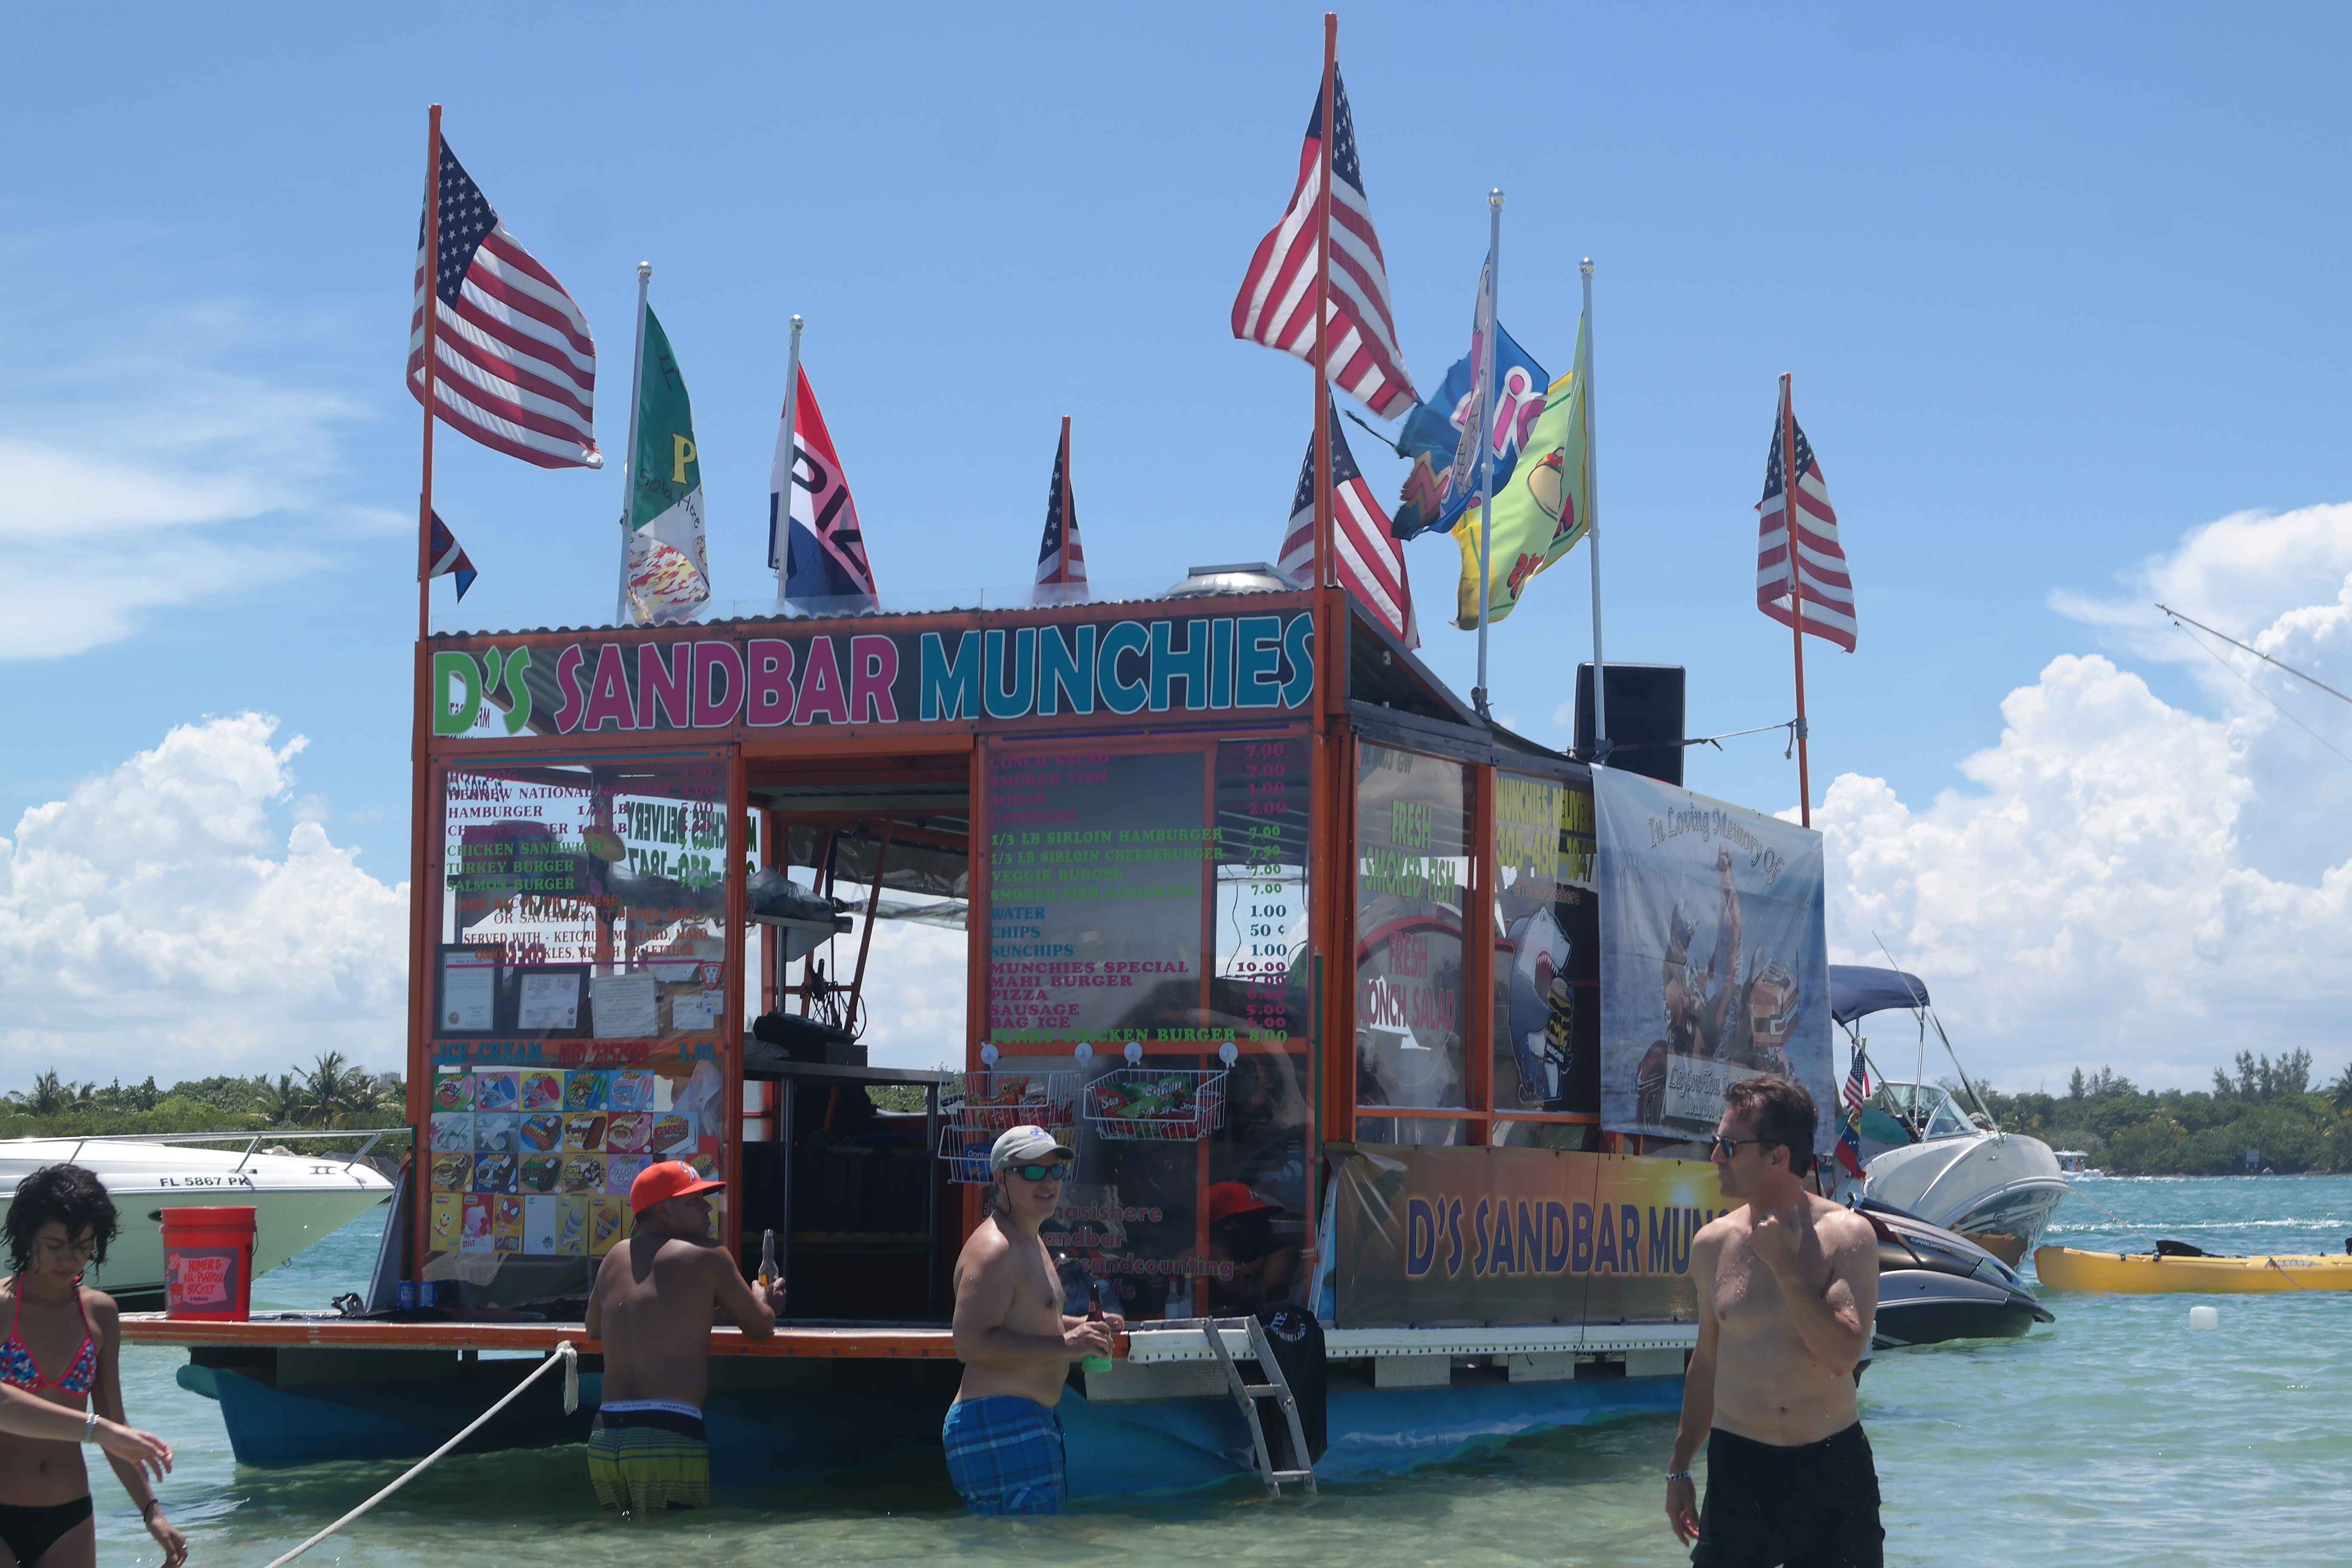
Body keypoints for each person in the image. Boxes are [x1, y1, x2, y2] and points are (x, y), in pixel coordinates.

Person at [1666, 1077, 1881, 1567]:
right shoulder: (1712, 1244)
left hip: (1831, 1470)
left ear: (1778, 1157)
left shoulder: (1847, 1237)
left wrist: (1786, 1268)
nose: (1716, 1156)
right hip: (1740, 1469)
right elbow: (1707, 1362)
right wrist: (1678, 1469)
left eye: (1729, 1146)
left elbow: (1842, 1355)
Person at [1, 1164, 187, 1568]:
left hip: (69, 1516)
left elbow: (113, 1422)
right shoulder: (1, 1308)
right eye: (55, 1244)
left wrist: (151, 1512)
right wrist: (96, 1429)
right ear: (27, 1235)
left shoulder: (100, 1314)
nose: (69, 1258)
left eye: (83, 1245)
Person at [583, 1159, 785, 1519]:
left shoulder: (614, 1257)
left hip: (606, 1436)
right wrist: (763, 1297)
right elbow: (761, 1326)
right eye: (695, 1201)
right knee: (675, 1550)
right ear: (664, 1211)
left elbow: (593, 1328)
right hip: (666, 1433)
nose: (708, 1207)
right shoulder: (708, 1256)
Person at [943, 1125, 1122, 1516]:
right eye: (1034, 1172)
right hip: (999, 1420)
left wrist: (1084, 1327)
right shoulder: (994, 1249)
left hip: (1024, 1419)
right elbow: (970, 1344)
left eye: (1056, 1172)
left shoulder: (1030, 1239)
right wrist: (1065, 1346)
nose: (1049, 1183)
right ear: (1001, 1178)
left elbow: (1033, 1318)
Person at [1202, 1183, 1300, 1315]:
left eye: (1266, 1217)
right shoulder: (1205, 1253)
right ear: (1227, 1223)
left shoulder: (1281, 1251)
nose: (1267, 1224)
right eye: (1255, 1218)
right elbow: (1170, 1272)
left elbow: (1271, 1289)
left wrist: (1212, 1287)